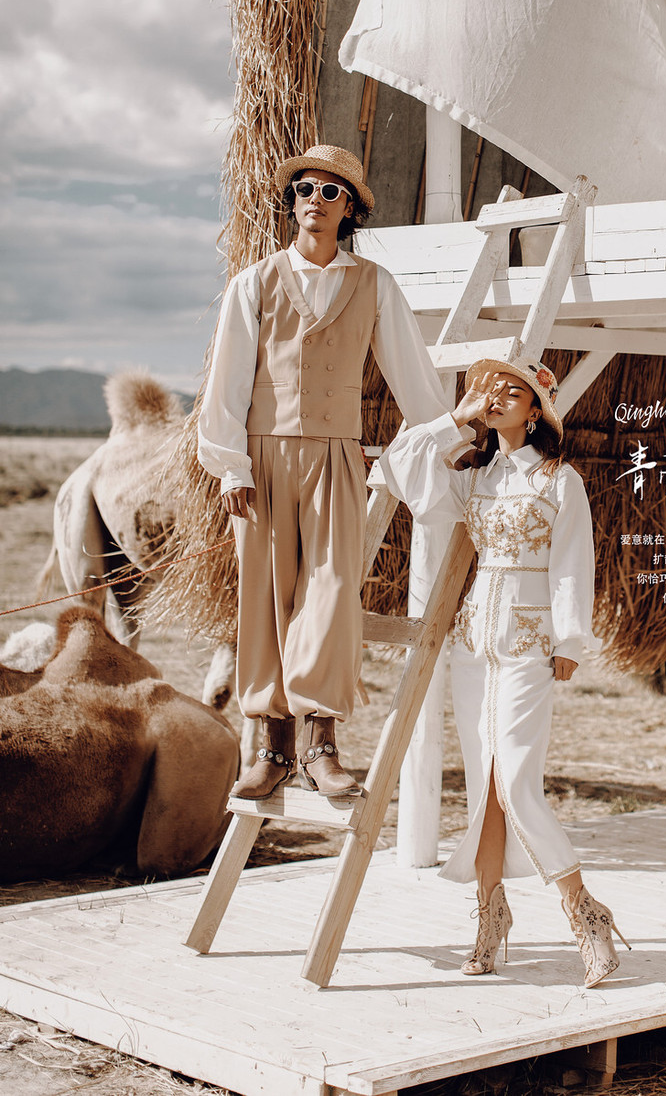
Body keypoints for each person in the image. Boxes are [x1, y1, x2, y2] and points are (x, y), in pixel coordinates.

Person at [197, 144, 451, 800]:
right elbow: (227, 380)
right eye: (304, 188)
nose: (314, 199)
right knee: (267, 597)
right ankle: (272, 749)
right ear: (293, 203)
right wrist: (230, 467)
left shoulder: (375, 285)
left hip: (337, 455)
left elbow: (411, 373)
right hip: (263, 457)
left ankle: (321, 746)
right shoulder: (253, 283)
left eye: (329, 191)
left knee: (332, 594)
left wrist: (450, 437)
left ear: (350, 209)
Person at [380, 357, 629, 987]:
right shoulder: (474, 479)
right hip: (473, 647)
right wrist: (457, 419)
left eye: (511, 390)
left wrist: (569, 638)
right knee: (486, 789)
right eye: (488, 389)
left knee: (516, 781)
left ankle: (585, 913)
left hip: (530, 647)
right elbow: (399, 468)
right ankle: (490, 919)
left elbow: (573, 561)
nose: (496, 397)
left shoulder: (559, 480)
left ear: (537, 409)